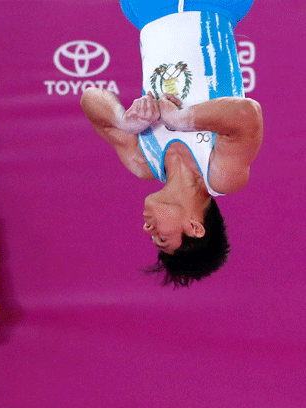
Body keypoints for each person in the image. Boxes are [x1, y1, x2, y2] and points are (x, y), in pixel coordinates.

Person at [80, 0, 263, 286]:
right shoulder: (222, 176)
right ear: (194, 227)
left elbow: (90, 99)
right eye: (162, 238)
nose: (147, 228)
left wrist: (124, 120)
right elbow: (246, 114)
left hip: (146, 11)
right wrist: (180, 119)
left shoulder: (142, 161)